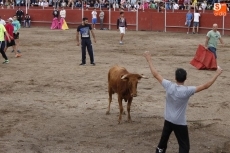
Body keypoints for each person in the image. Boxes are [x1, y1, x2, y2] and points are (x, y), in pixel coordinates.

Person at [143, 51, 223, 153]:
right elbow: (205, 86)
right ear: (185, 79)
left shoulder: (169, 85)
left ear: (175, 78)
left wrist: (149, 59)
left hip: (168, 119)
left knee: (162, 144)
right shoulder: (187, 91)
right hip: (179, 122)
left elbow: (155, 74)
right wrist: (217, 74)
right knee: (184, 147)